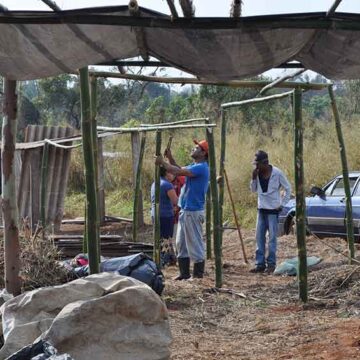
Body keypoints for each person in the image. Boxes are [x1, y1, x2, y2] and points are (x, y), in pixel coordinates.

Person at [155, 139, 209, 280]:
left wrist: (163, 162)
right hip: (186, 210)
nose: (193, 149)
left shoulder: (201, 167)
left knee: (195, 243)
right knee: (181, 244)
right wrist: (170, 158)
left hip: (193, 210)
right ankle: (184, 273)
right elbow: (179, 169)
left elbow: (177, 171)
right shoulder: (195, 165)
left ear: (203, 153)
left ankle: (198, 275)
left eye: (197, 148)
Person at [250, 150, 291, 274]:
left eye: (258, 164)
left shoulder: (277, 173)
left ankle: (271, 264)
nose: (256, 167)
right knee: (259, 237)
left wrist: (282, 204)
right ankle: (260, 264)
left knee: (272, 238)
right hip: (261, 209)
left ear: (265, 163)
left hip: (273, 210)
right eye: (255, 164)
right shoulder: (256, 174)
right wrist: (253, 179)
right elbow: (253, 190)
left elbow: (288, 188)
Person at [151, 166, 178, 267]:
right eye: (171, 173)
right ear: (166, 173)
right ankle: (165, 260)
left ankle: (167, 258)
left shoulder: (155, 183)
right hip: (165, 215)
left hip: (155, 214)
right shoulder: (167, 185)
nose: (173, 175)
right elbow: (176, 201)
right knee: (167, 238)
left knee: (159, 237)